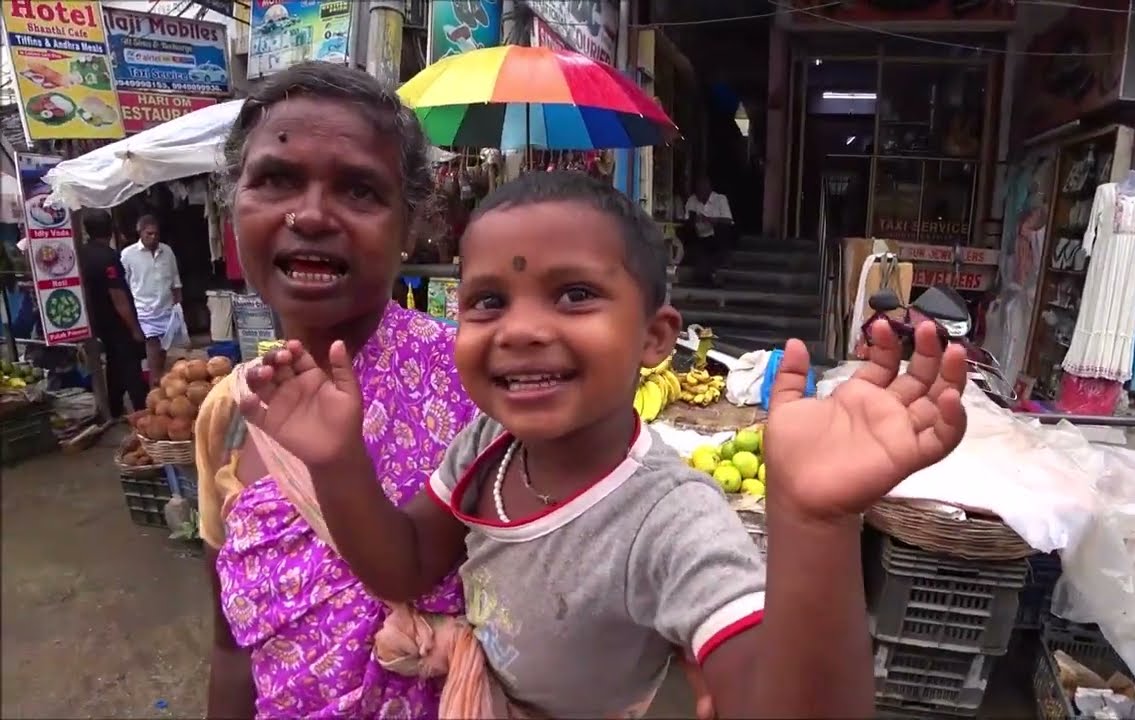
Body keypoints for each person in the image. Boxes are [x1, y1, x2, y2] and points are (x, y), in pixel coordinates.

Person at [240, 170, 969, 717]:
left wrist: (815, 523)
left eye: (575, 295)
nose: (521, 329)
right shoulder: (487, 443)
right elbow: (403, 566)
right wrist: (335, 461)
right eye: (488, 302)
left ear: (655, 338)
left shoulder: (671, 520)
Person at [192, 62, 479, 718]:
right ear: (233, 205)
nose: (312, 215)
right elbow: (234, 647)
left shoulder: (476, 388)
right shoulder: (226, 416)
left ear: (411, 227)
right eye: (277, 179)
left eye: (358, 191)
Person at [79, 209, 147, 420]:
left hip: (96, 321)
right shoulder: (108, 257)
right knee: (131, 365)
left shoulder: (81, 253)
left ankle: (114, 408)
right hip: (116, 322)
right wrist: (135, 329)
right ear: (110, 230)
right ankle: (142, 411)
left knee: (114, 364)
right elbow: (118, 297)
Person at [120, 215, 182, 386]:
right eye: (149, 234)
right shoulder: (128, 254)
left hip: (166, 308)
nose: (153, 237)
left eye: (156, 234)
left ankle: (159, 380)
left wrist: (178, 305)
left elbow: (175, 280)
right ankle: (155, 384)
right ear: (140, 233)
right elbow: (123, 285)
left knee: (164, 349)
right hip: (144, 310)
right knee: (152, 345)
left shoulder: (167, 251)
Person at [679, 175, 736, 283]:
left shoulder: (720, 199)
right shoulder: (692, 200)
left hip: (716, 236)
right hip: (699, 237)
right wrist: (694, 219)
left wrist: (711, 220)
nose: (699, 193)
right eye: (697, 190)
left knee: (723, 231)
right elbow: (686, 221)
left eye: (702, 190)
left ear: (708, 189)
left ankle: (718, 262)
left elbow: (728, 221)